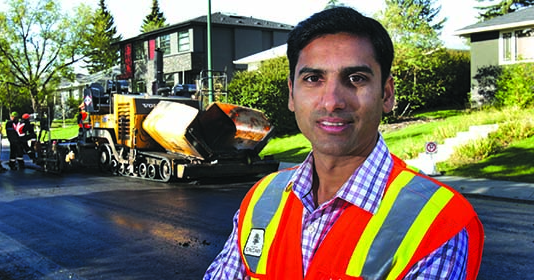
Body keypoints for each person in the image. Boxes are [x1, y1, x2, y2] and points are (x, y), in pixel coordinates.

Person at [204, 7, 484, 280]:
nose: (332, 101)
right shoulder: (261, 200)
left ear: (386, 95)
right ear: (291, 94)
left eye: (355, 79)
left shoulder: (438, 223)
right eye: (313, 78)